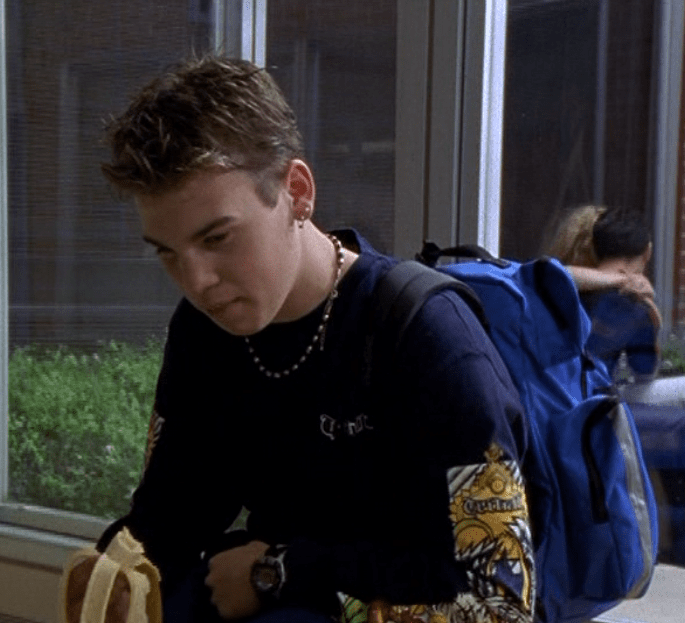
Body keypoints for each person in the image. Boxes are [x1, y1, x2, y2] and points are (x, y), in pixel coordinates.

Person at [66, 55, 535, 623]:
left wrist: (281, 570)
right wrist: (117, 568)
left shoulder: (429, 337)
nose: (196, 281)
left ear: (297, 192)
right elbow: (174, 513)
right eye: (167, 253)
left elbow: (500, 603)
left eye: (217, 238)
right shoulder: (204, 329)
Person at [545, 204, 660, 378]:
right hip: (589, 394)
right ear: (648, 252)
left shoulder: (553, 289)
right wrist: (653, 319)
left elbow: (552, 274)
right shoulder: (636, 311)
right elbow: (644, 371)